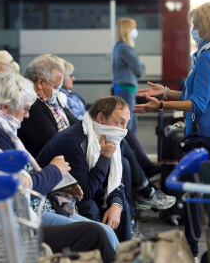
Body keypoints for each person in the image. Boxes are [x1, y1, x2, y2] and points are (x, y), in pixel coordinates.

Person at [0, 74, 116, 262]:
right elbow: (15, 188)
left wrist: (56, 180)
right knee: (98, 232)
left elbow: (23, 179)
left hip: (23, 213)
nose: (27, 115)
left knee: (100, 229)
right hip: (8, 224)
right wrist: (54, 172)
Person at [132, 2, 210, 260]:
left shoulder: (209, 56)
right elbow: (201, 95)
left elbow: (197, 104)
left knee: (192, 196)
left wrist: (161, 105)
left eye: (195, 24)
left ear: (207, 25)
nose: (193, 29)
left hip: (205, 138)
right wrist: (165, 92)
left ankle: (192, 250)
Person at [37, 96, 176, 242]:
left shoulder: (112, 136)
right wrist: (104, 157)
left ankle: (120, 255)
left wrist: (116, 204)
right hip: (56, 195)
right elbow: (86, 193)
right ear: (101, 118)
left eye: (126, 123)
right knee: (91, 208)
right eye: (119, 122)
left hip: (84, 188)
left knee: (121, 208)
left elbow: (117, 180)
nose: (124, 130)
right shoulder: (73, 141)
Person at [18, 55, 76, 158]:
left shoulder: (49, 100)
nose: (57, 91)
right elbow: (52, 144)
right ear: (40, 83)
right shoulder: (32, 106)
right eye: (55, 87)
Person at [112, 17, 145, 136]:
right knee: (128, 124)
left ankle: (130, 152)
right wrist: (142, 68)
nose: (135, 31)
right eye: (132, 28)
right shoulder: (124, 47)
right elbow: (137, 66)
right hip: (125, 88)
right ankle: (127, 153)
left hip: (124, 88)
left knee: (131, 123)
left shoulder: (119, 46)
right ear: (126, 30)